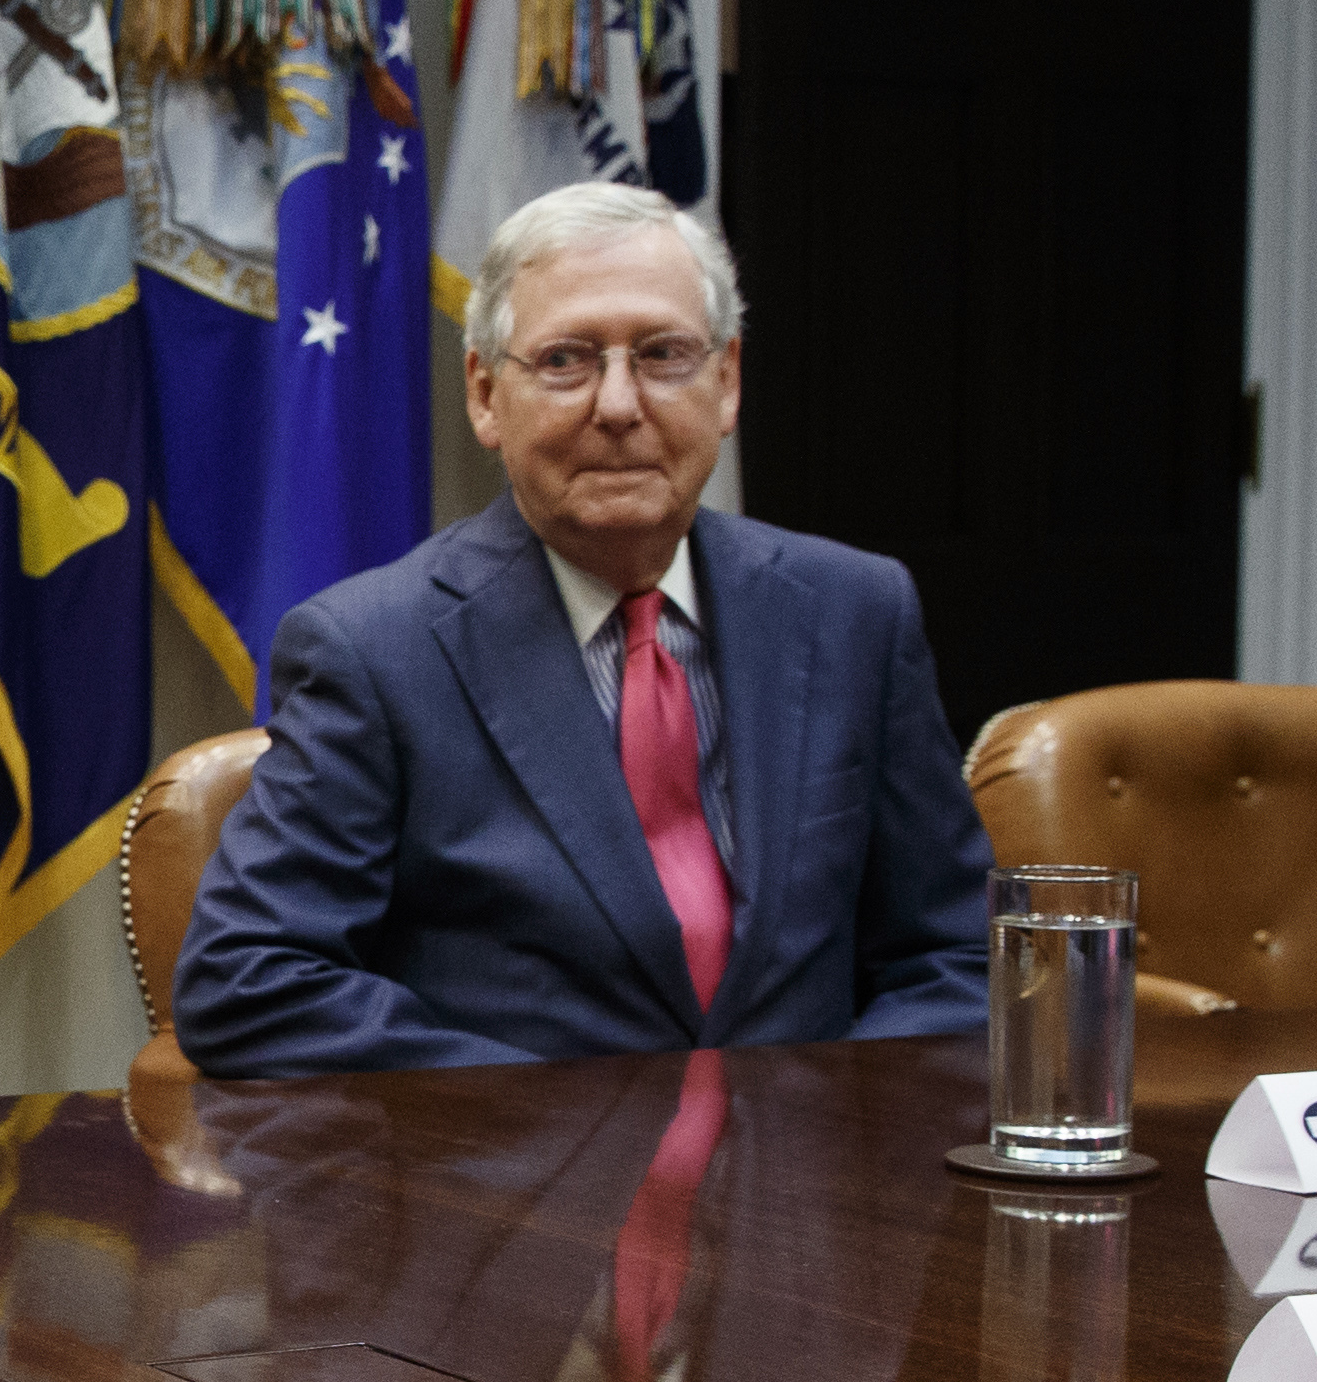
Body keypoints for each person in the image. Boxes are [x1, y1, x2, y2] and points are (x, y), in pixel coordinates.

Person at [174, 180, 989, 1075]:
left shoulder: (855, 614)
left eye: (663, 354)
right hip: (520, 1198)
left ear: (726, 382)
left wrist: (826, 1120)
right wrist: (562, 1121)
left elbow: (955, 957)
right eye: (565, 359)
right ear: (485, 395)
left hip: (807, 1190)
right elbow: (250, 981)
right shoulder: (372, 649)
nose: (616, 403)